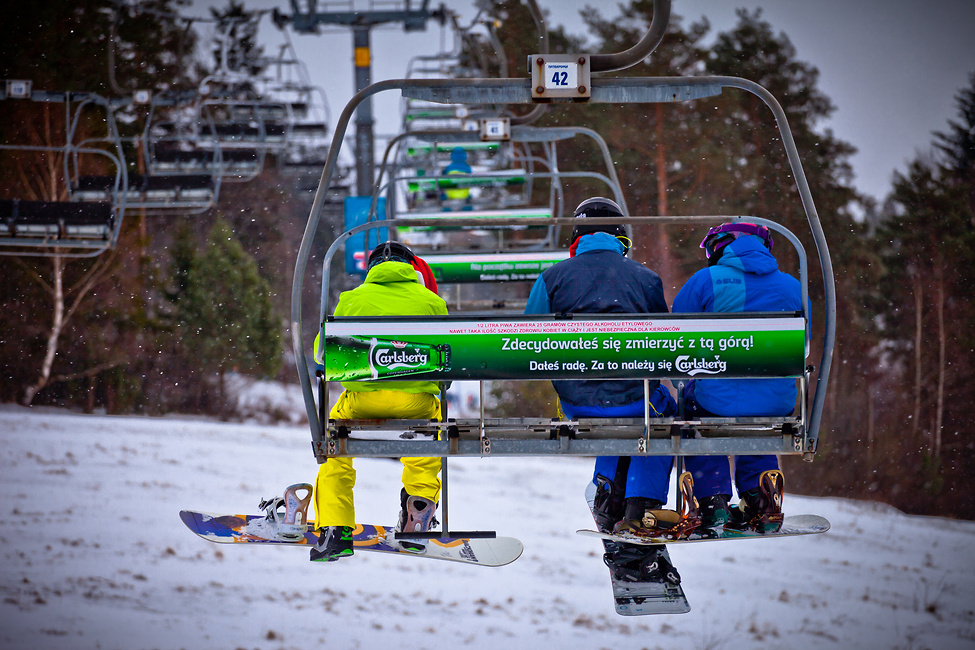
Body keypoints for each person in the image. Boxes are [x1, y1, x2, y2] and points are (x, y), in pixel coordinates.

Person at [524, 197, 696, 538]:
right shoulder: (644, 278)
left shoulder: (551, 278)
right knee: (661, 419)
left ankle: (607, 495)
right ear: (620, 237)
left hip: (576, 402)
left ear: (577, 237)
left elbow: (528, 335)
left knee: (614, 422)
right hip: (634, 399)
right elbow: (666, 340)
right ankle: (640, 505)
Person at [309, 241, 449, 561]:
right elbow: (449, 355)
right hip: (416, 402)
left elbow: (322, 353)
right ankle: (417, 515)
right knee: (428, 439)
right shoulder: (432, 302)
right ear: (411, 267)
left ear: (371, 268)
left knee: (335, 446)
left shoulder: (352, 300)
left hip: (363, 401)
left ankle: (335, 527)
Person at [673, 223, 801, 532]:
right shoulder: (793, 286)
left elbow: (677, 334)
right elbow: (803, 342)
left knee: (693, 412)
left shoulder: (706, 280)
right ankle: (762, 495)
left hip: (716, 401)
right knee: (756, 420)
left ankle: (713, 499)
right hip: (778, 402)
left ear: (720, 247)